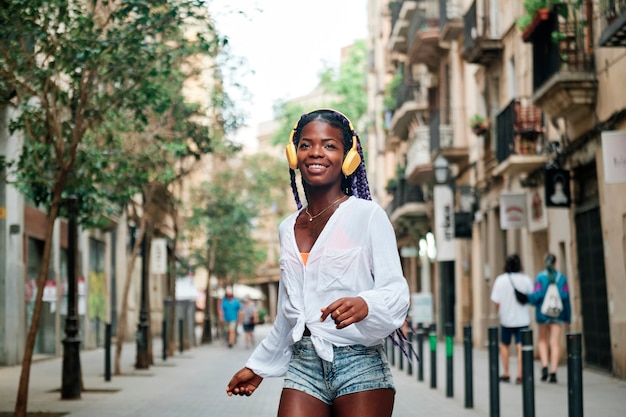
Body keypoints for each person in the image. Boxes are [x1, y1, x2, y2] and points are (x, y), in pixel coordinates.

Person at [226, 108, 410, 417]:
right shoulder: (287, 227)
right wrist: (257, 366)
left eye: (329, 145)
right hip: (303, 365)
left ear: (348, 157)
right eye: (306, 144)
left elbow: (397, 292)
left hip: (360, 364)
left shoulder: (367, 216)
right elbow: (288, 315)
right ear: (293, 154)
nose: (316, 153)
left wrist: (366, 303)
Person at [490, 254, 534, 384]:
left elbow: (496, 301)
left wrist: (500, 312)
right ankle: (520, 374)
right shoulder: (525, 279)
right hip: (522, 318)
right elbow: (531, 296)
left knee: (504, 345)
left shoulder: (500, 280)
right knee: (521, 346)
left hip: (506, 319)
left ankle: (506, 372)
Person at [528, 253, 571, 383]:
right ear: (555, 262)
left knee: (542, 340)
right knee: (555, 343)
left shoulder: (540, 277)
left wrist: (527, 299)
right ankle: (553, 372)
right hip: (558, 314)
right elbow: (565, 297)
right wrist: (567, 318)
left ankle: (545, 366)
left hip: (542, 314)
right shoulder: (562, 278)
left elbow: (536, 295)